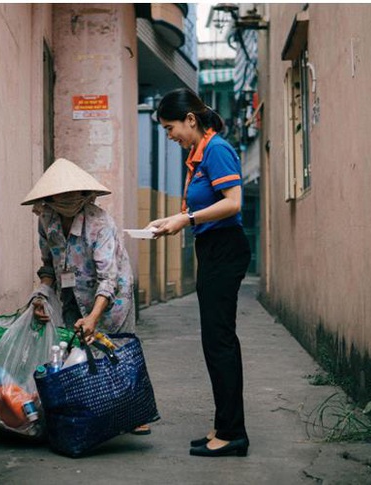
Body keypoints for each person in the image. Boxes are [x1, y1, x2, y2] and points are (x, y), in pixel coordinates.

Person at [147, 88, 251, 456]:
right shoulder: (198, 153)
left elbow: (233, 203)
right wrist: (174, 220)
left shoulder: (217, 149)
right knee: (215, 341)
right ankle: (225, 424)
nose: (169, 135)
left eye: (170, 127)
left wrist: (186, 218)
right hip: (213, 247)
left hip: (225, 247)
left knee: (220, 341)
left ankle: (233, 433)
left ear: (191, 119)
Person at [21, 157, 150, 435]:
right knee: (75, 353)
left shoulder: (99, 223)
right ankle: (88, 412)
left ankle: (131, 414)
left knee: (115, 351)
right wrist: (41, 297)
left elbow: (109, 278)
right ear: (50, 197)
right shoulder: (46, 220)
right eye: (61, 195)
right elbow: (48, 267)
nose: (67, 199)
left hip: (112, 297)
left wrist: (93, 316)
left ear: (84, 195)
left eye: (72, 194)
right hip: (70, 295)